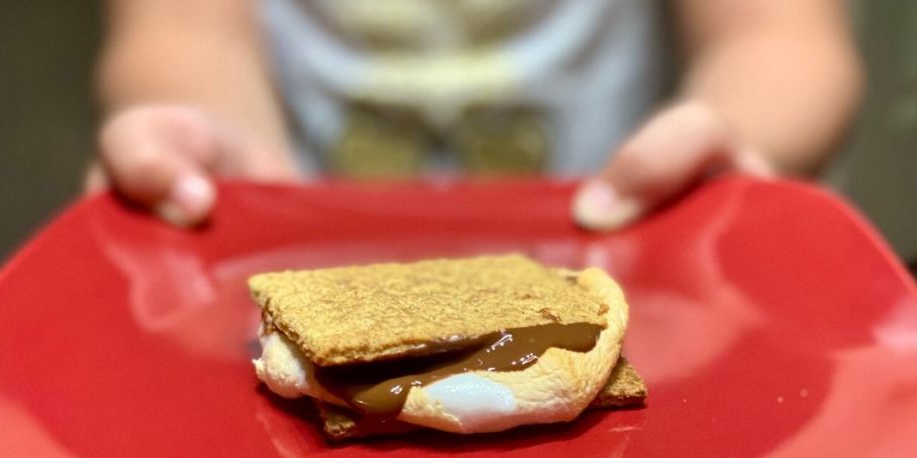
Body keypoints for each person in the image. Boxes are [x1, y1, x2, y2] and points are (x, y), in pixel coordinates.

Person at [88, 1, 862, 230]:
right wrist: (216, 152)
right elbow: (182, 33)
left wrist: (733, 132)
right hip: (303, 251)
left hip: (622, 248)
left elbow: (782, 37)